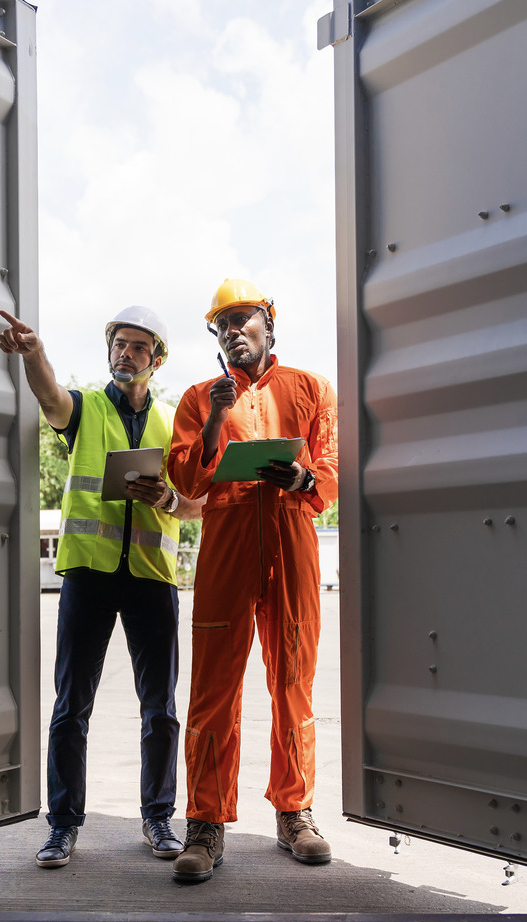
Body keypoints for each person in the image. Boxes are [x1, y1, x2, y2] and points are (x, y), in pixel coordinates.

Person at [0, 305, 204, 868]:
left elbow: (198, 503)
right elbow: (49, 399)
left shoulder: (171, 422)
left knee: (159, 707)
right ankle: (62, 825)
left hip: (150, 578)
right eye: (119, 343)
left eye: (139, 347)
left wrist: (167, 500)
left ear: (155, 360)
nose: (125, 353)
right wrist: (34, 354)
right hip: (89, 573)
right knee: (71, 706)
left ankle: (159, 818)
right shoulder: (86, 409)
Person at [164, 279, 339, 882]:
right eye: (222, 324)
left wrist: (302, 480)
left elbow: (332, 468)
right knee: (213, 688)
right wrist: (215, 415)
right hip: (227, 545)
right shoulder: (196, 398)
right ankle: (205, 824)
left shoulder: (311, 388)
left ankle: (295, 811)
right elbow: (187, 481)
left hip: (291, 542)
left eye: (243, 319)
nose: (232, 331)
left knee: (293, 678)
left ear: (269, 323)